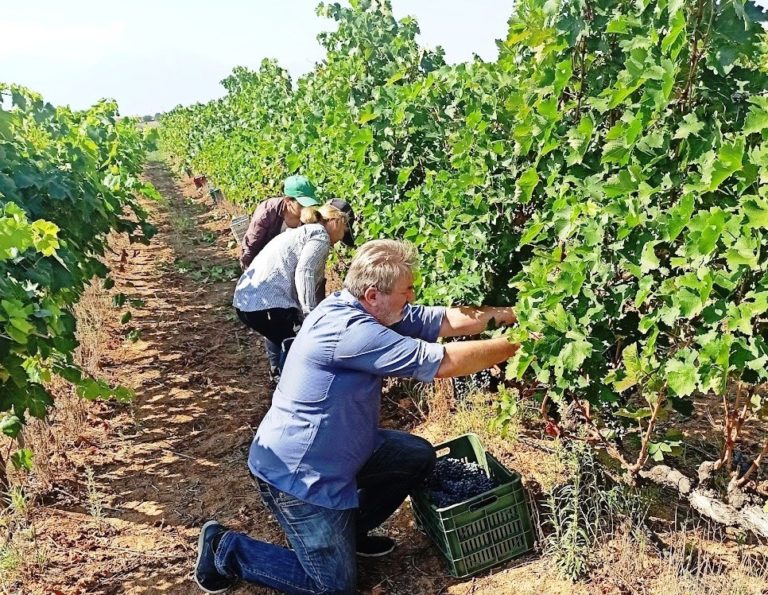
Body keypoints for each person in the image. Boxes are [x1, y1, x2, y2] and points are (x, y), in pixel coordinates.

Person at [196, 239, 520, 594]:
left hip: (342, 455)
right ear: (372, 294)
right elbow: (442, 362)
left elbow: (440, 319)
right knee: (332, 588)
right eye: (406, 290)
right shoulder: (352, 332)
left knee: (416, 456)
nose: (411, 297)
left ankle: (348, 535)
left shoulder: (364, 308)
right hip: (300, 477)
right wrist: (518, 345)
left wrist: (508, 315)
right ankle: (226, 549)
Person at [233, 200, 355, 375]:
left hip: (247, 301)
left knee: (284, 338)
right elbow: (305, 272)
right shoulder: (320, 236)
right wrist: (310, 315)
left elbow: (313, 284)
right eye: (344, 231)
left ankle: (279, 379)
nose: (340, 239)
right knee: (298, 346)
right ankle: (288, 389)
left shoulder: (301, 231)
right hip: (265, 303)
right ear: (337, 221)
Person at [239, 175, 321, 379]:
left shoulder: (307, 220)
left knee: (286, 321)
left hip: (287, 269)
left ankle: (284, 368)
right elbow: (251, 246)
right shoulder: (266, 213)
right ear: (288, 201)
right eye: (301, 204)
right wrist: (253, 281)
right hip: (264, 269)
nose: (305, 209)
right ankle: (277, 369)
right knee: (275, 317)